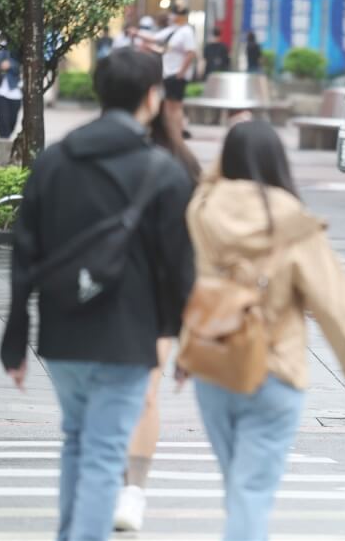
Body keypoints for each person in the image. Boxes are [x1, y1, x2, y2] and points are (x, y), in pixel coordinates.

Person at [0, 47, 195, 541]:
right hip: (129, 337)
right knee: (106, 451)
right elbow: (180, 269)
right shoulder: (164, 171)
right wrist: (186, 339)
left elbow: (25, 251)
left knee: (78, 443)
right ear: (153, 97)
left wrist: (15, 339)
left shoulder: (55, 161)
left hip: (64, 331)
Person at [180, 120, 345, 540]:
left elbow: (209, 181)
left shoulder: (202, 208)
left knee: (238, 485)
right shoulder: (290, 218)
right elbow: (333, 302)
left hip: (214, 364)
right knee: (252, 489)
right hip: (274, 367)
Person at [113, 100, 201, 533]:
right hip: (126, 296)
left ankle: (132, 490)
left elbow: (188, 253)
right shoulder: (170, 167)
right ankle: (127, 486)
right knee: (136, 394)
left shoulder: (178, 169)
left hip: (151, 298)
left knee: (143, 391)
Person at [134, 3, 197, 139]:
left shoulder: (186, 31)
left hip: (177, 74)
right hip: (168, 72)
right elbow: (155, 38)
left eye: (176, 14)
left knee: (175, 105)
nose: (173, 16)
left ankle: (177, 132)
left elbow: (191, 53)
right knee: (169, 105)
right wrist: (137, 33)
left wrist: (181, 72)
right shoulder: (173, 30)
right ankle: (171, 131)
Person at [0, 47, 22, 139]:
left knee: (12, 122)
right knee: (3, 122)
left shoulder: (15, 43)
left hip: (14, 89)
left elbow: (21, 63)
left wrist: (11, 65)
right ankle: (4, 144)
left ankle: (5, 141)